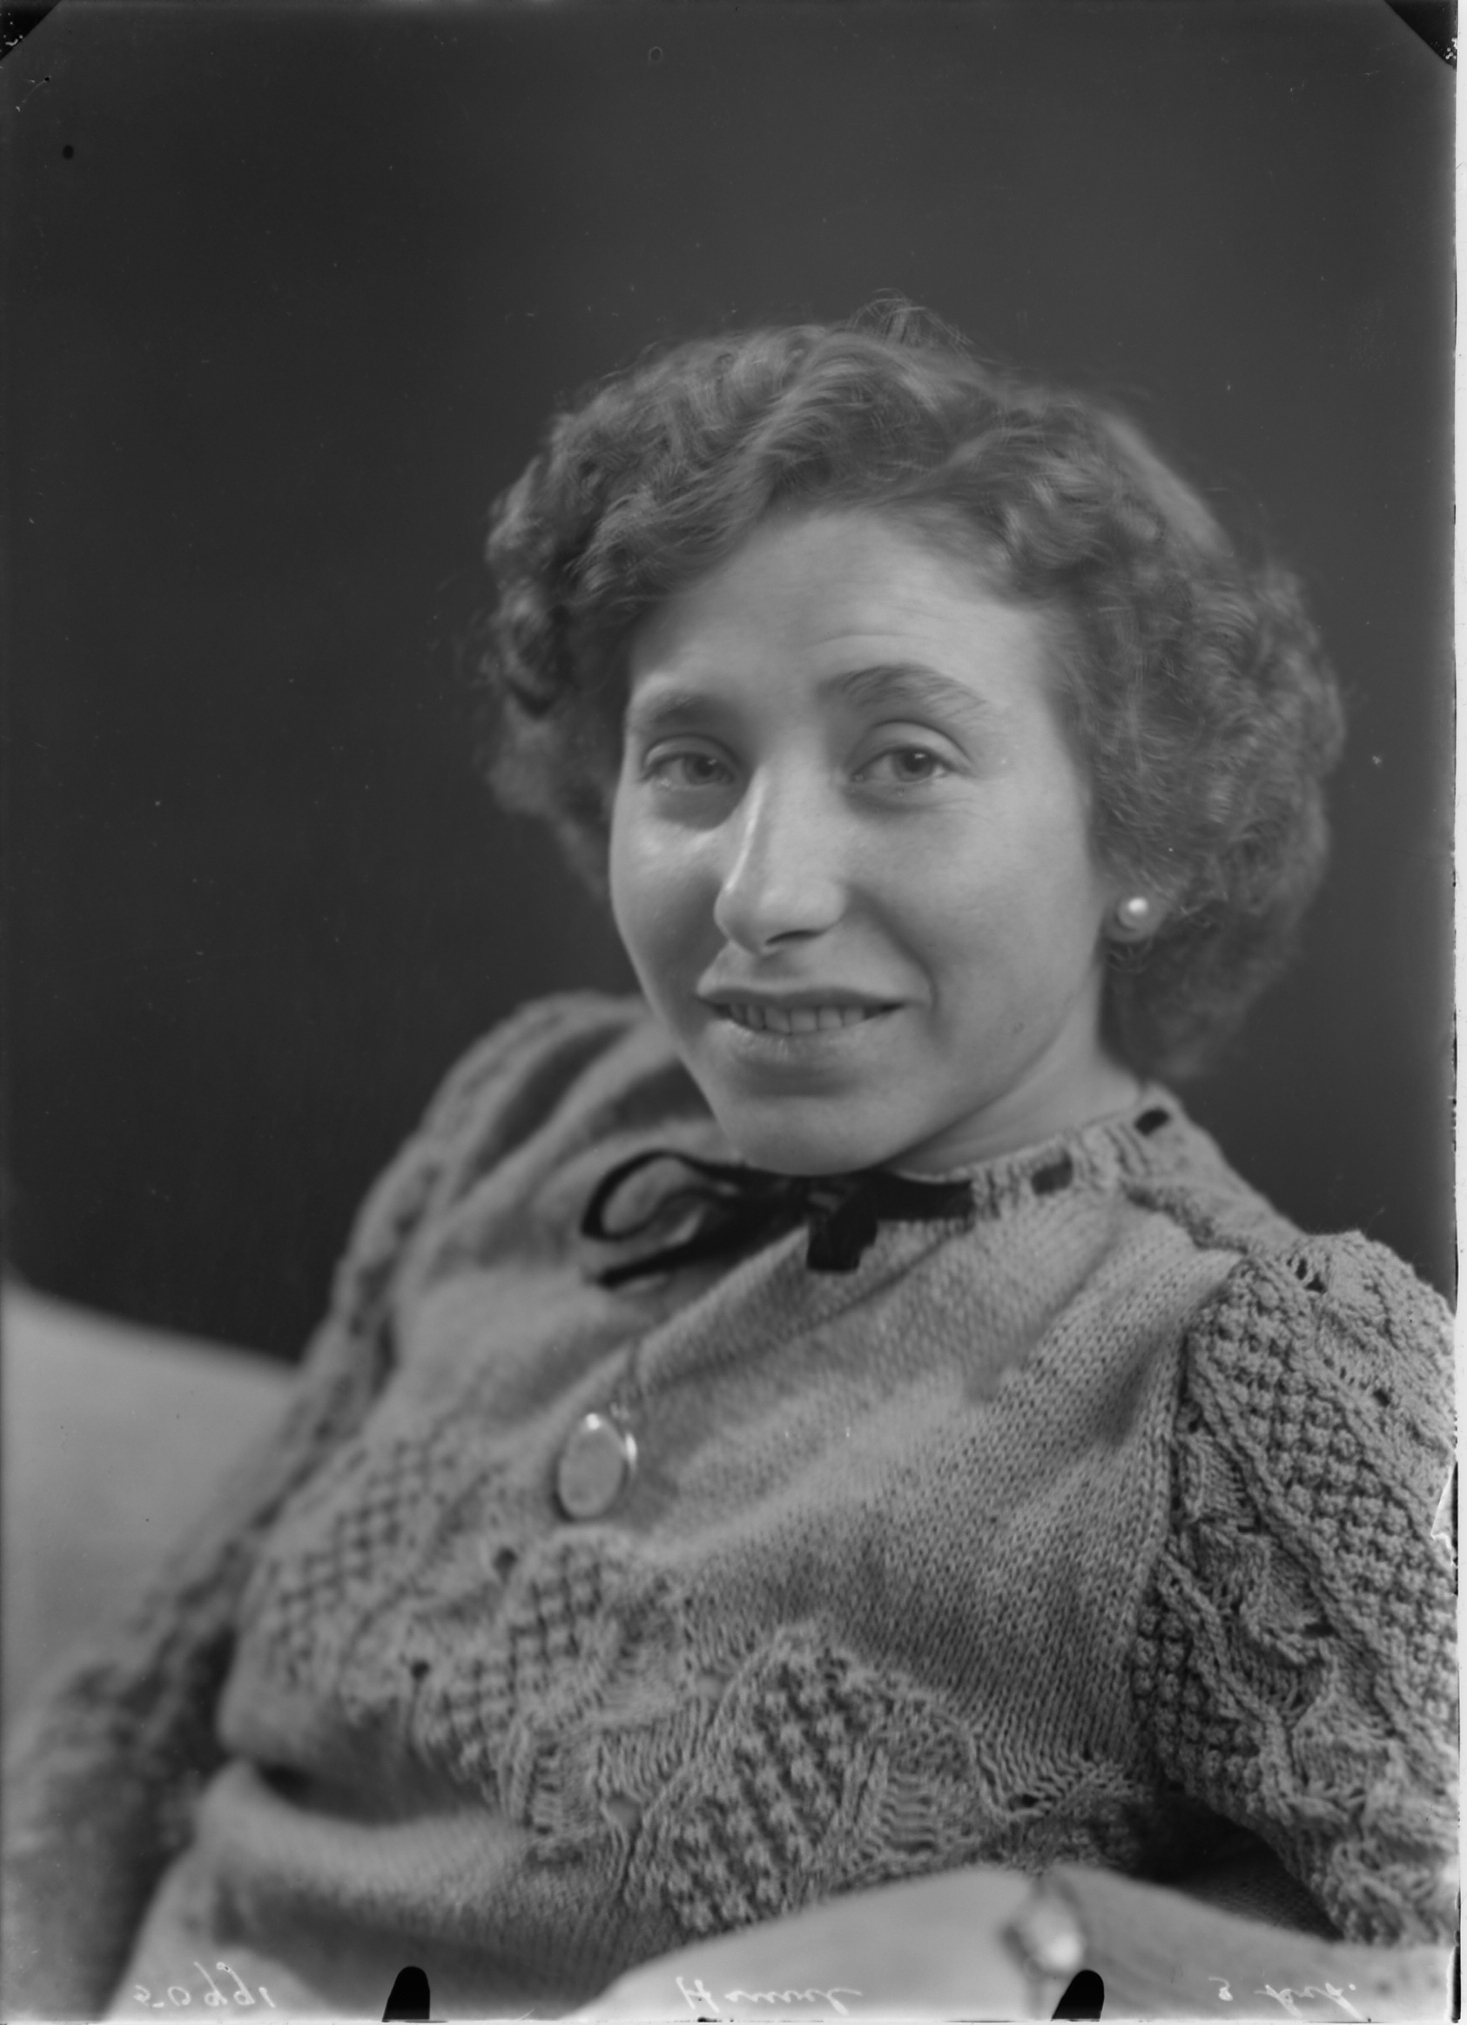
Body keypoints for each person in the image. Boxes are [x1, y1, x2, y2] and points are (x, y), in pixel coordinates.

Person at [3, 307, 1454, 2022]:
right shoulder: (540, 1117)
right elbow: (135, 1723)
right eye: (691, 762)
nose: (762, 892)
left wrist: (1056, 1940)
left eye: (904, 760)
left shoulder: (1244, 1372)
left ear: (1136, 834)